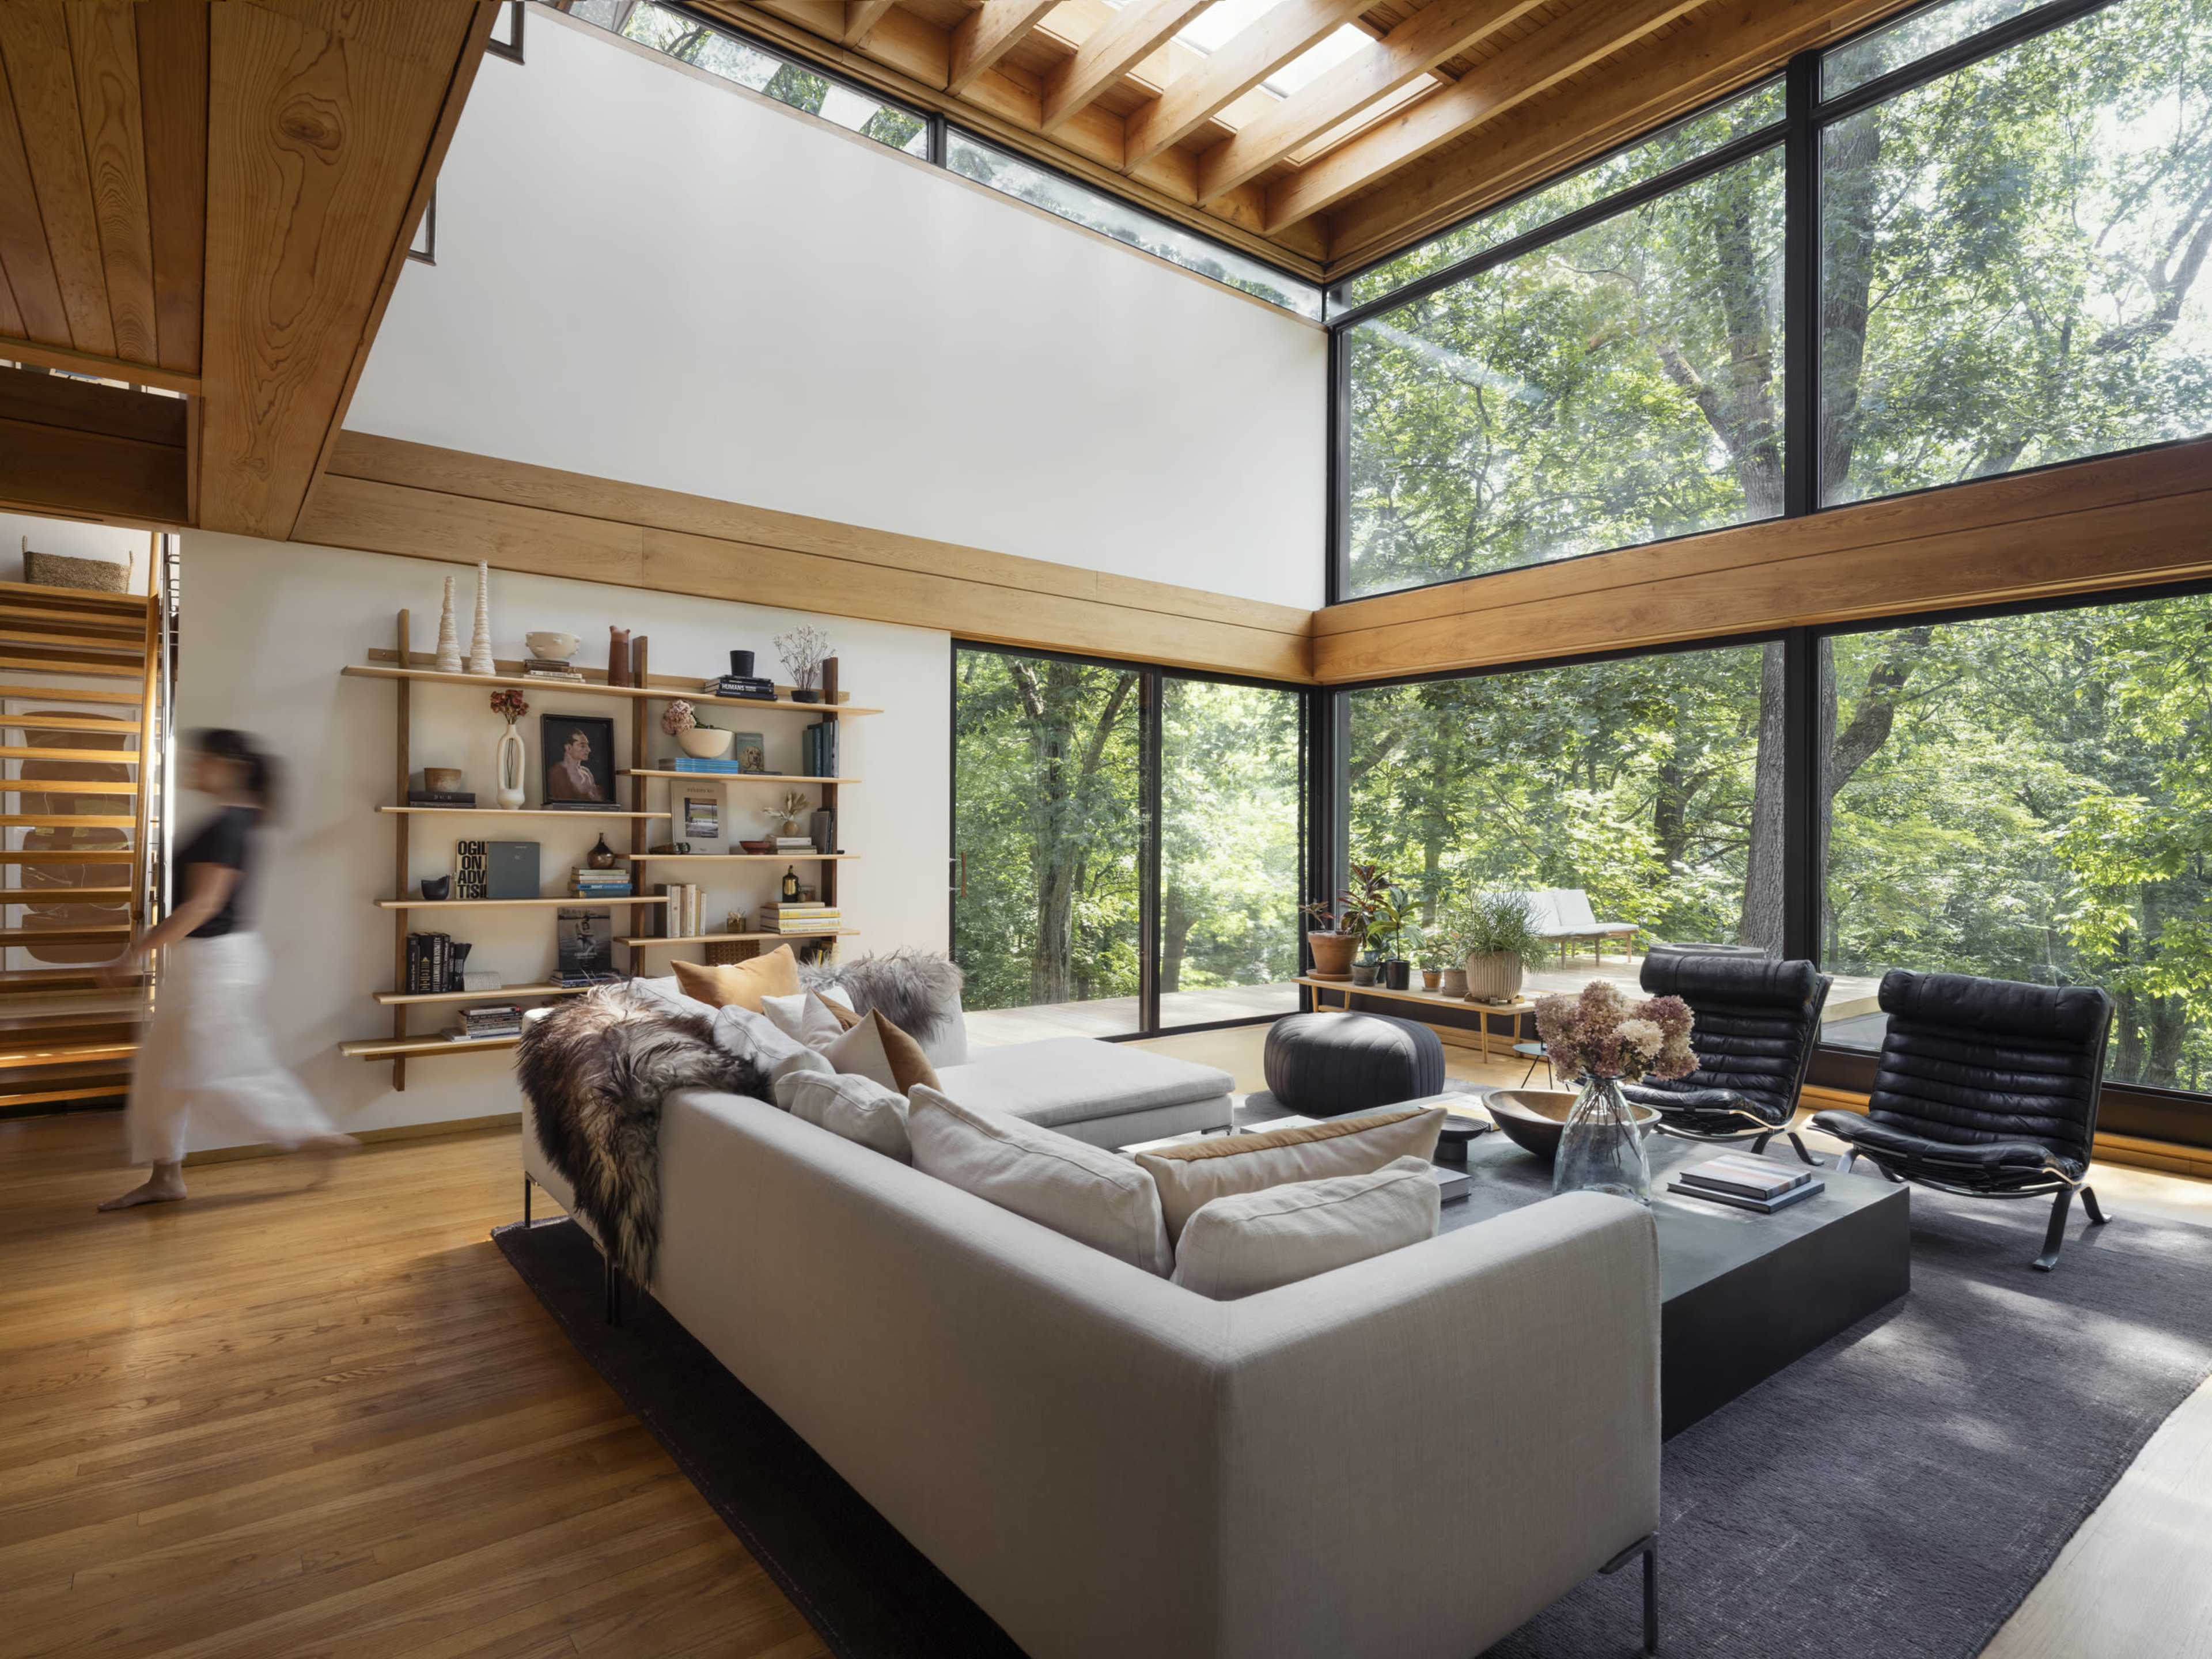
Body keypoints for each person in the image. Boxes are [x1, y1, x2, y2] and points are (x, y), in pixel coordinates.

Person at [96, 730, 350, 1210]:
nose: (193, 768)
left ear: (228, 763)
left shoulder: (228, 827)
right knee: (161, 1074)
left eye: (200, 760)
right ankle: (165, 1176)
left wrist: (135, 954)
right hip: (204, 961)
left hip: (215, 964)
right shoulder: (233, 821)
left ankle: (313, 1134)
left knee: (222, 1071)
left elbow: (202, 905)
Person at [546, 727, 604, 802]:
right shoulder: (555, 773)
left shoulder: (586, 772)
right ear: (568, 748)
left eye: (587, 745)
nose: (589, 750)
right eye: (582, 746)